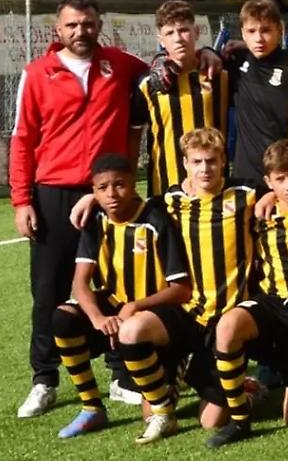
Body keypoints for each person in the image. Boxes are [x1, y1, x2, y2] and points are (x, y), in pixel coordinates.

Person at [11, 0, 151, 419]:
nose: (80, 32)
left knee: (112, 281)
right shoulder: (37, 74)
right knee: (49, 290)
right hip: (53, 192)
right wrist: (22, 201)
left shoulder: (120, 65)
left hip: (108, 193)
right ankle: (44, 379)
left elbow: (164, 67)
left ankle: (119, 373)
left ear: (99, 25)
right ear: (58, 29)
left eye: (88, 24)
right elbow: (22, 140)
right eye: (72, 25)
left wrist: (208, 52)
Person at [113, 127, 256, 444]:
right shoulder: (169, 201)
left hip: (227, 319)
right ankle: (165, 405)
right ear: (185, 164)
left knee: (210, 421)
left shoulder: (246, 195)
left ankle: (244, 387)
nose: (205, 169)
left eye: (212, 161)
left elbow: (287, 188)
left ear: (223, 161)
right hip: (186, 312)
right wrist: (88, 203)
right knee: (132, 331)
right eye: (197, 162)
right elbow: (120, 203)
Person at [206, 140, 288, 448]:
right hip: (269, 304)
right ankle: (240, 421)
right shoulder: (256, 211)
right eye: (280, 179)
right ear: (268, 182)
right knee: (228, 326)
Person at [50, 154, 190, 438]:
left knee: (151, 412)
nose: (112, 194)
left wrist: (135, 306)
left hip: (161, 313)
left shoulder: (155, 219)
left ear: (134, 184)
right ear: (94, 191)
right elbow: (80, 283)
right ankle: (92, 408)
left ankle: (177, 371)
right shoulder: (96, 219)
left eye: (120, 185)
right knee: (62, 318)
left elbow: (182, 289)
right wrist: (98, 318)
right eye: (103, 188)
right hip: (116, 310)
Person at [139, 0, 230, 196]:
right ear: (160, 40)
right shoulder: (147, 84)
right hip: (166, 185)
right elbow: (133, 132)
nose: (178, 39)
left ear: (196, 32)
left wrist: (210, 52)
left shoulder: (220, 75)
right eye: (170, 33)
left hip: (213, 183)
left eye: (183, 30)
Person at [223, 0, 288, 189]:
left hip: (284, 175)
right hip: (244, 177)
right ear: (243, 34)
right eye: (252, 31)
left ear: (280, 30)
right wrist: (207, 51)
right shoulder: (234, 62)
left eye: (266, 30)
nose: (259, 38)